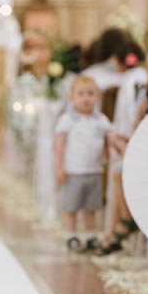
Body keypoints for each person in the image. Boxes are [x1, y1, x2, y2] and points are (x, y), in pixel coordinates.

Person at [54, 76, 111, 240]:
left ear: (97, 97)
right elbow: (59, 145)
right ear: (71, 98)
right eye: (81, 94)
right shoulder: (68, 119)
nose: (86, 98)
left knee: (91, 207)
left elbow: (109, 138)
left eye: (90, 94)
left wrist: (108, 152)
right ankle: (71, 235)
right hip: (74, 171)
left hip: (94, 171)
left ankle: (91, 235)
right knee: (71, 207)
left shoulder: (101, 120)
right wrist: (59, 167)